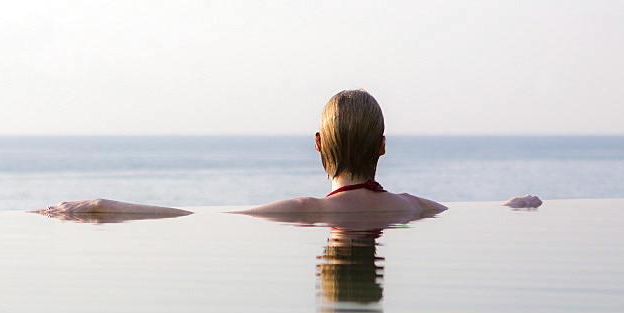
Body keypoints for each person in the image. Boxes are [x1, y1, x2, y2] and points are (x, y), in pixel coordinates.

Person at [33, 89, 446, 218]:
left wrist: (103, 206)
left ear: (319, 142)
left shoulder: (306, 211)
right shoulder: (415, 208)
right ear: (383, 146)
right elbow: (507, 206)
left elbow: (197, 219)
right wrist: (516, 202)